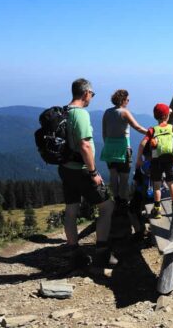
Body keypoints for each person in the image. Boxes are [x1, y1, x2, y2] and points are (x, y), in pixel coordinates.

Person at [58, 78, 117, 268]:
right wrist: (93, 173)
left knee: (71, 210)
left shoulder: (63, 112)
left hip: (65, 168)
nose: (92, 97)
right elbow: (84, 145)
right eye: (92, 94)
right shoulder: (80, 114)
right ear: (85, 93)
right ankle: (102, 253)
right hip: (82, 170)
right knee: (107, 207)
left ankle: (74, 253)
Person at [136, 103, 173, 219]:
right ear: (167, 116)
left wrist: (139, 159)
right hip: (170, 160)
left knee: (157, 186)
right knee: (171, 183)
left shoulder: (153, 130)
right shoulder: (172, 128)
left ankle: (157, 210)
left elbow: (142, 144)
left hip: (156, 160)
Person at [100, 89, 147, 203]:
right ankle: (123, 200)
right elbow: (137, 127)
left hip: (109, 148)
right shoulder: (124, 112)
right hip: (123, 148)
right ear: (123, 100)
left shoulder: (107, 112)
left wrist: (108, 145)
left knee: (113, 175)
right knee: (124, 177)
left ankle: (115, 199)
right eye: (127, 99)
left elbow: (104, 132)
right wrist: (151, 132)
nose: (128, 101)